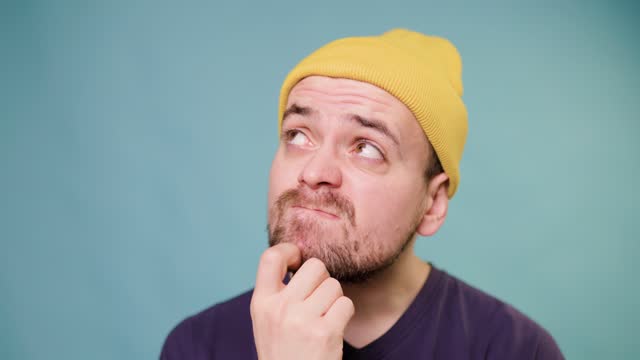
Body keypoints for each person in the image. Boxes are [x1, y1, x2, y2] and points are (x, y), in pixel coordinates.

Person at [160, 28, 564, 359]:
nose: (315, 172)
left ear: (433, 203)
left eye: (367, 147)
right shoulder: (198, 347)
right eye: (298, 136)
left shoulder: (516, 351)